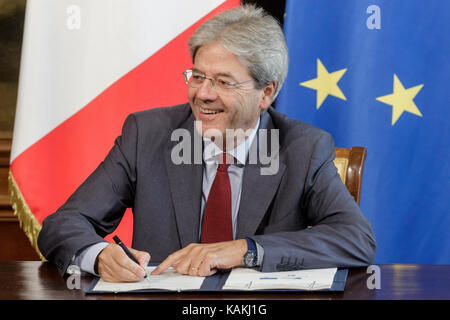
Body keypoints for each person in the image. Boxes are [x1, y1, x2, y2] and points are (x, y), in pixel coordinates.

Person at [37, 5, 376, 283]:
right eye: (197, 76)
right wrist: (99, 256)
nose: (203, 94)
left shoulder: (303, 147)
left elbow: (355, 239)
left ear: (267, 93)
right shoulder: (148, 134)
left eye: (224, 82)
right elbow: (63, 224)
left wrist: (246, 250)